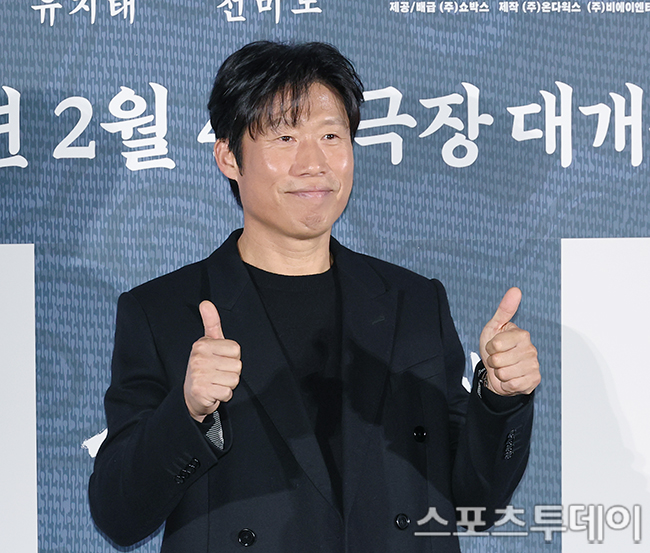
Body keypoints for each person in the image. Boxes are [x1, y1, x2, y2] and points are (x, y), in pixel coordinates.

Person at [89, 41, 540, 553]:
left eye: (330, 136)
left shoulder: (413, 302)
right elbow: (118, 516)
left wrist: (500, 400)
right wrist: (188, 412)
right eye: (284, 137)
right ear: (229, 157)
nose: (314, 163)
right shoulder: (163, 311)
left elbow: (477, 502)